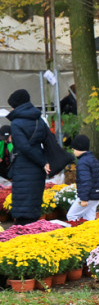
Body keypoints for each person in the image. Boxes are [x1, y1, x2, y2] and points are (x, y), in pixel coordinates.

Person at [6, 89, 49, 225]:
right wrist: (43, 162)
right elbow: (48, 140)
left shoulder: (16, 123)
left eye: (12, 105)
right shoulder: (39, 120)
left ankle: (22, 237)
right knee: (34, 205)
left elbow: (24, 147)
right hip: (37, 169)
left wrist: (42, 162)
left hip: (23, 167)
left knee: (22, 209)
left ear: (17, 105)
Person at [67, 135, 99, 221]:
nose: (73, 151)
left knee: (71, 216)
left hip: (89, 196)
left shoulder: (83, 162)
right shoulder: (93, 159)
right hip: (96, 195)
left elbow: (85, 181)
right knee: (89, 219)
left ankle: (76, 233)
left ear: (79, 148)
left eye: (74, 149)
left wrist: (83, 198)